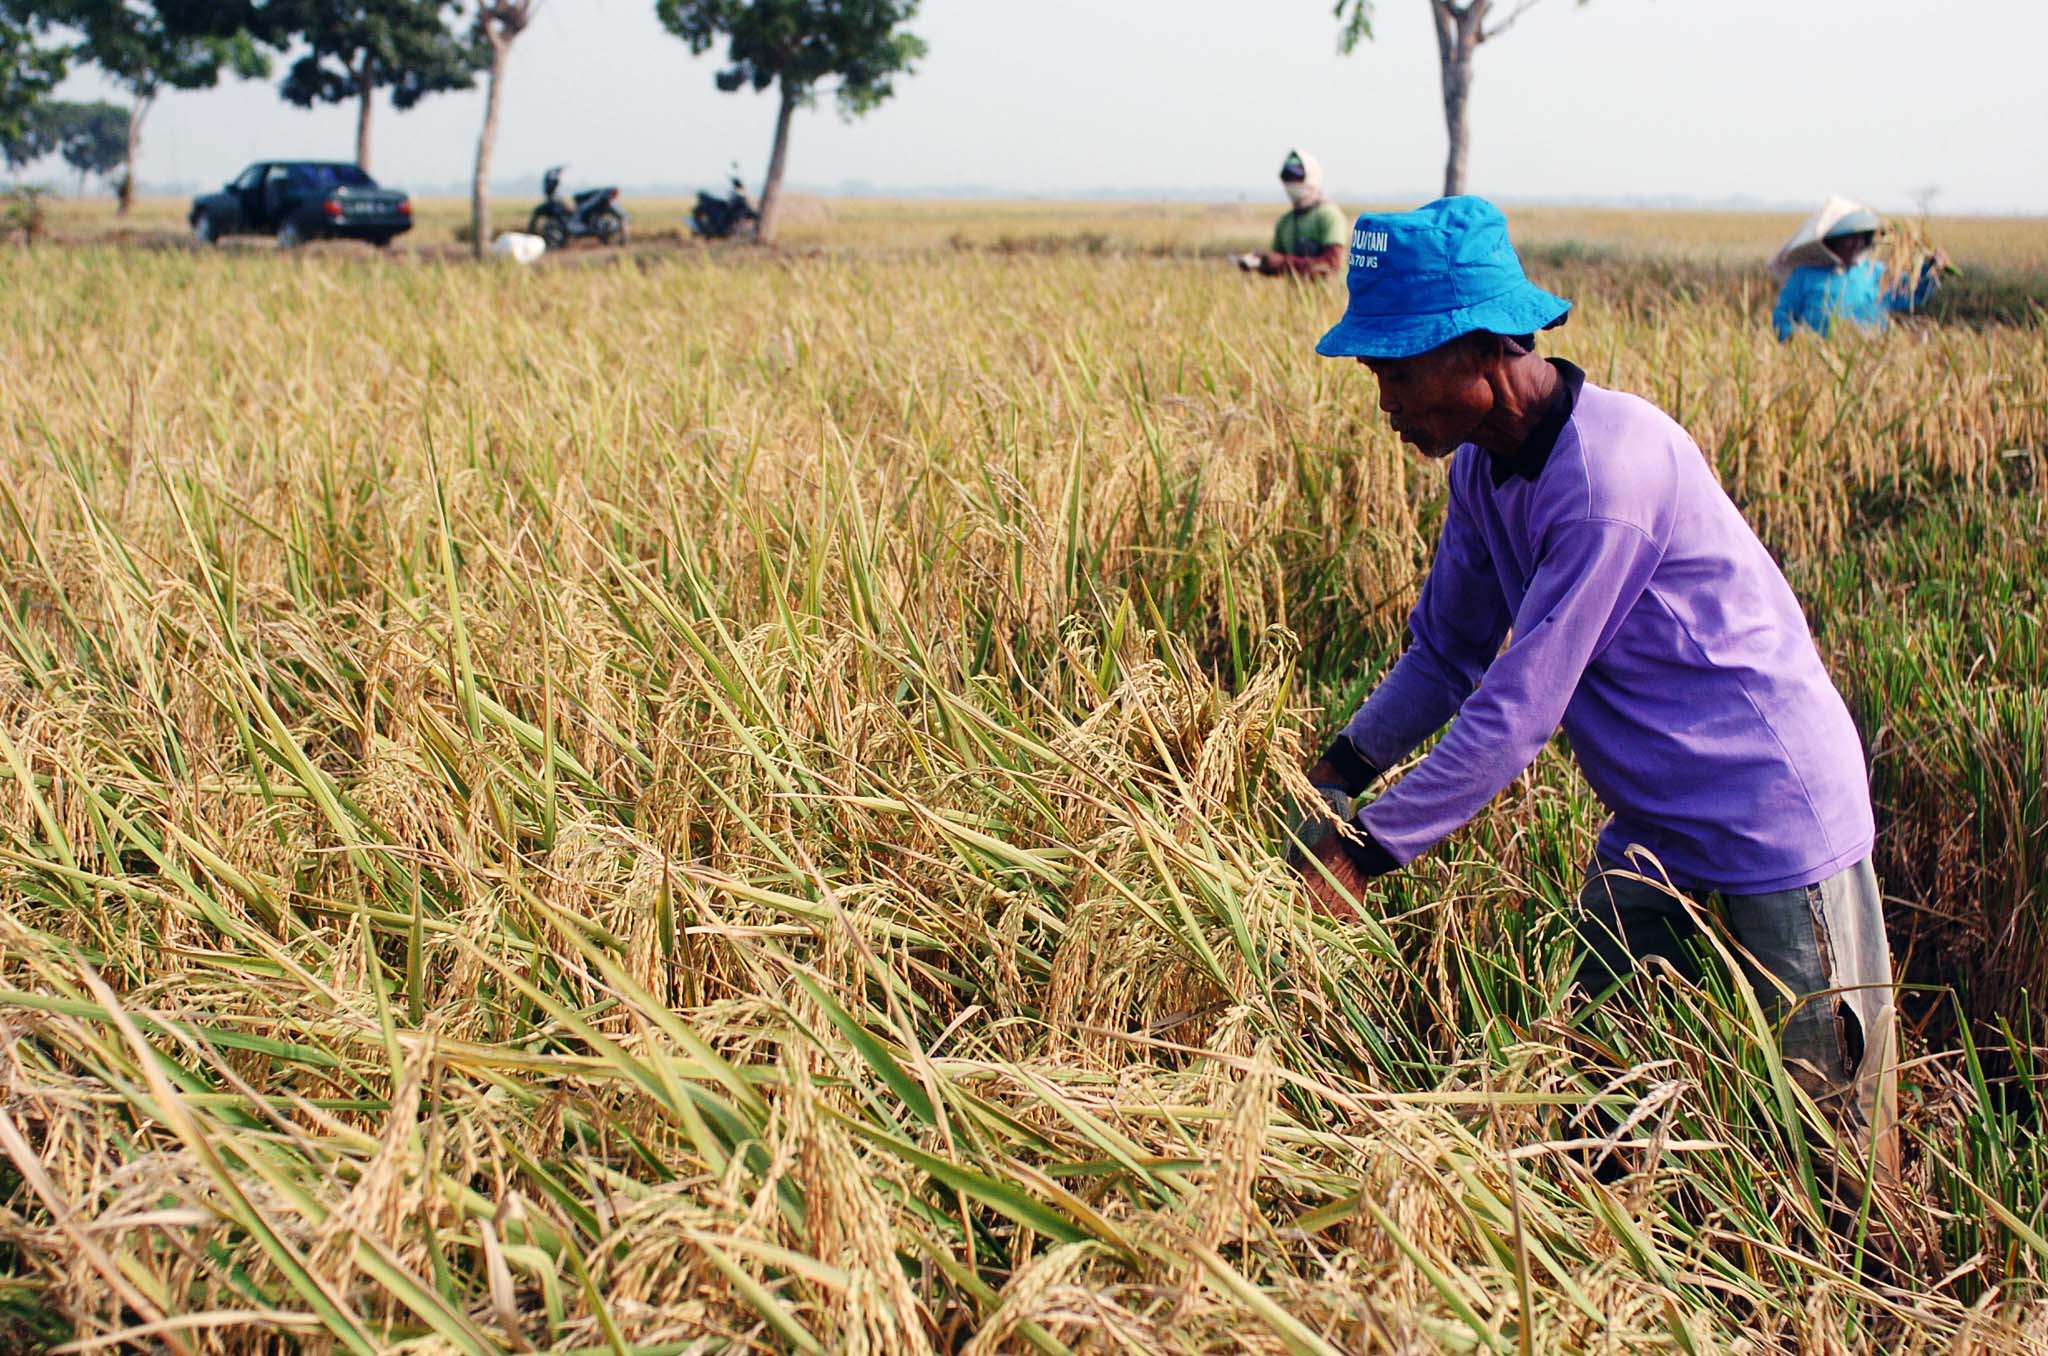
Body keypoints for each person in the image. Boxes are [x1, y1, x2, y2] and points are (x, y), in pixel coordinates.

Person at [1291, 195, 1898, 1174]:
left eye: (1397, 374)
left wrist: (1365, 852)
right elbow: (1444, 654)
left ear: (1480, 350)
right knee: (1601, 1088)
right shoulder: (1482, 473)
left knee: (1827, 1129)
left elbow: (1518, 704)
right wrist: (1333, 770)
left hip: (1769, 812)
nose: (1385, 404)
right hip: (1653, 822)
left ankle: (1858, 1301)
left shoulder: (1609, 474)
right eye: (1375, 377)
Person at [1771, 196, 1944, 341]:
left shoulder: (1874, 272)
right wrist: (1796, 340)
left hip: (1870, 354)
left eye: (1861, 238)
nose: (1856, 244)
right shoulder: (1805, 275)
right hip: (1819, 360)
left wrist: (1930, 270)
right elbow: (1782, 316)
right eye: (1849, 238)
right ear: (1833, 241)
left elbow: (1909, 292)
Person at [1237, 150, 1346, 279]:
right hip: (1294, 297)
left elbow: (1332, 264)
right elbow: (1278, 266)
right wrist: (1260, 263)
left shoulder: (1329, 215)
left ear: (1311, 177)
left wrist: (1283, 262)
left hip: (1327, 296)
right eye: (1287, 178)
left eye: (1297, 177)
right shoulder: (1285, 221)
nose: (1292, 184)